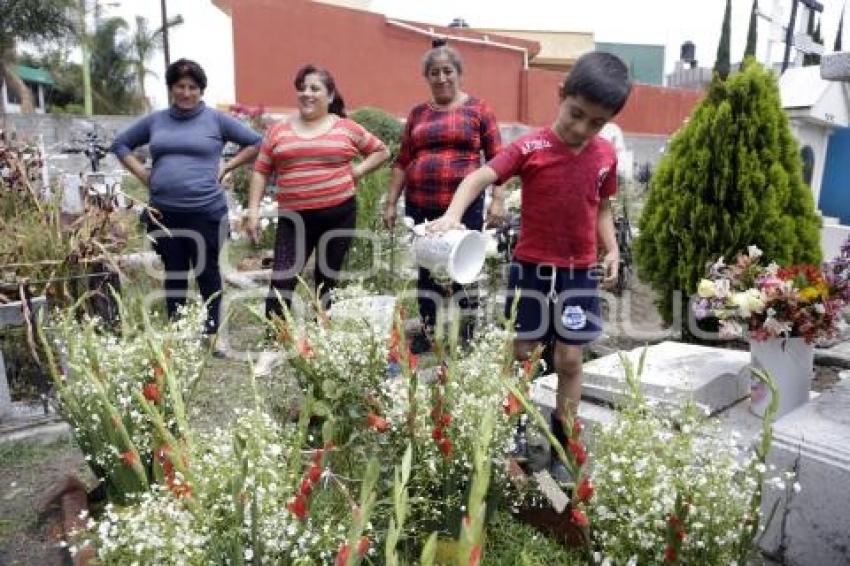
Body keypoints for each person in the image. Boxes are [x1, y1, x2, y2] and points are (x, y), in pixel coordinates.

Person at [428, 52, 632, 478]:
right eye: (576, 114)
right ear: (561, 95)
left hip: (578, 273)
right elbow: (479, 177)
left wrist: (611, 249)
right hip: (532, 269)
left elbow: (601, 208)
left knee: (571, 359)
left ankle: (563, 444)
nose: (581, 128)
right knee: (522, 353)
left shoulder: (604, 156)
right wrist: (452, 215)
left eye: (595, 122)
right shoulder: (530, 146)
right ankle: (514, 433)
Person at [112, 58, 261, 347]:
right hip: (164, 212)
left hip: (205, 212)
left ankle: (213, 332)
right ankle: (177, 333)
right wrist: (144, 174)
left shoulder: (215, 120)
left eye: (192, 86)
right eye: (180, 86)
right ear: (171, 88)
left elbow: (257, 142)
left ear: (201, 90)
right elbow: (121, 144)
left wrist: (227, 167)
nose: (186, 92)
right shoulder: (157, 120)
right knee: (175, 273)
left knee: (207, 272)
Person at [383, 39, 503, 352]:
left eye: (447, 70)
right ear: (427, 77)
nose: (441, 78)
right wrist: (390, 203)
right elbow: (402, 161)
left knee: (466, 266)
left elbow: (498, 158)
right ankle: (427, 330)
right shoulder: (417, 114)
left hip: (465, 205)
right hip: (421, 202)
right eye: (434, 72)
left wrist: (499, 198)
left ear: (458, 73)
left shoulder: (479, 109)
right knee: (427, 268)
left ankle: (468, 331)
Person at [247, 64, 389, 319]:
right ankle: (274, 340)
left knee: (327, 281)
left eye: (315, 88)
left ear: (330, 96)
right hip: (294, 220)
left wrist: (357, 172)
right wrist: (254, 211)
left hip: (339, 214)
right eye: (302, 88)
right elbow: (260, 170)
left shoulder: (346, 127)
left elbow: (381, 151)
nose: (307, 93)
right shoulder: (278, 130)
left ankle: (321, 339)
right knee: (282, 280)